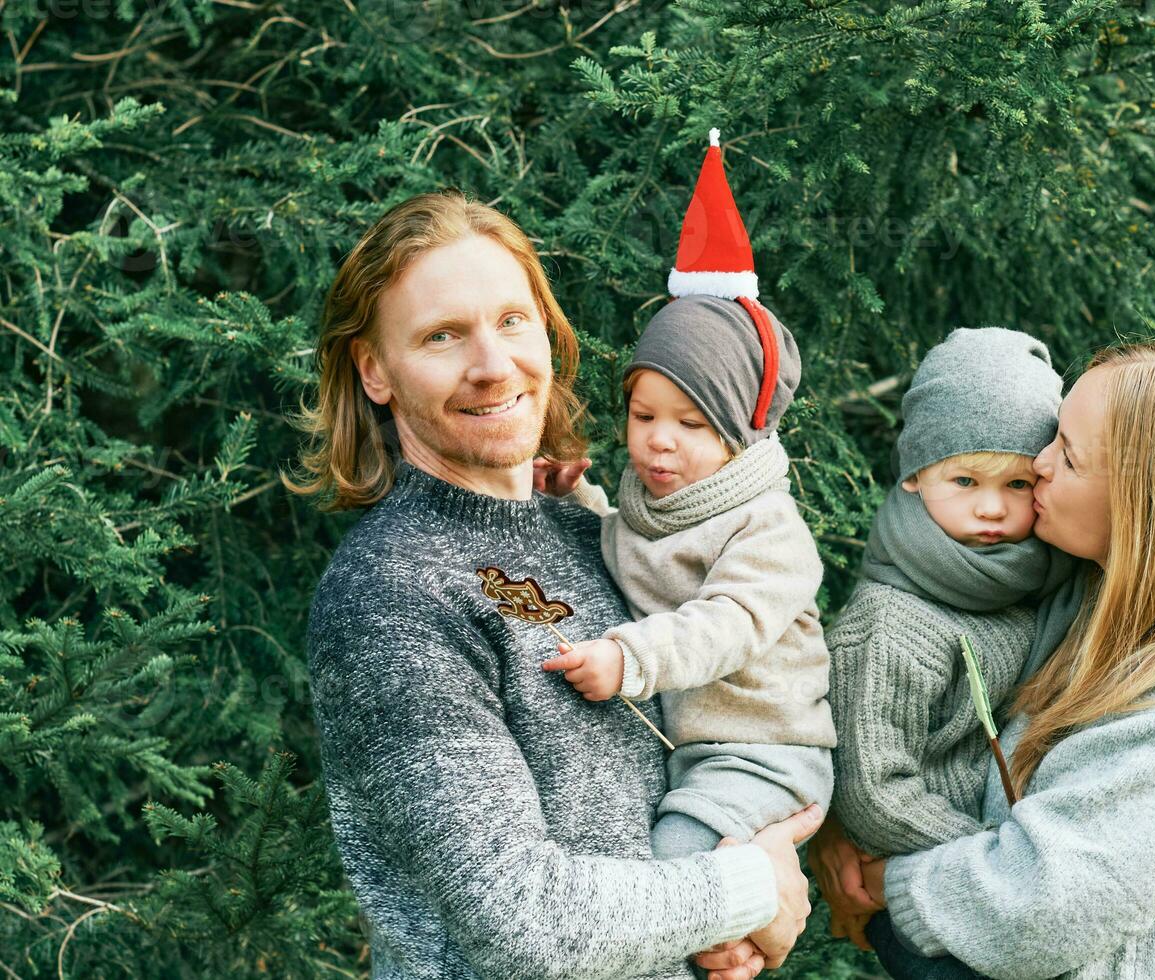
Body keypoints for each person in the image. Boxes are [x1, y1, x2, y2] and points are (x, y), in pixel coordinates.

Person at [290, 189, 816, 980]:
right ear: (375, 370)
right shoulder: (390, 595)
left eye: (511, 321)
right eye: (442, 336)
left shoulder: (592, 533)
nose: (493, 366)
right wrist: (751, 888)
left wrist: (738, 915)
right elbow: (523, 923)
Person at [803, 343, 1155, 980]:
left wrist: (885, 881)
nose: (1039, 463)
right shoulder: (1088, 601)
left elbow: (1046, 904)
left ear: (1147, 499)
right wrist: (849, 822)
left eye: (1069, 454)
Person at [539, 290, 837, 859]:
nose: (659, 438)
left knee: (678, 862)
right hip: (692, 751)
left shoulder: (768, 526)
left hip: (764, 752)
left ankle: (719, 947)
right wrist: (574, 499)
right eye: (643, 415)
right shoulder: (653, 508)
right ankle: (729, 951)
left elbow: (728, 623)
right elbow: (626, 551)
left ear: (736, 435)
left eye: (692, 423)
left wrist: (631, 659)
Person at [823, 327, 1079, 978]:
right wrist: (992, 859)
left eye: (1017, 484)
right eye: (964, 479)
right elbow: (872, 791)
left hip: (1004, 881)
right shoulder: (891, 623)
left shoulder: (1039, 575)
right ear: (914, 476)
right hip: (927, 884)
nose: (991, 508)